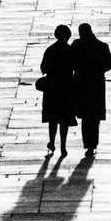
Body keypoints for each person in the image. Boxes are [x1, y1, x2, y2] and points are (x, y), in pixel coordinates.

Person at [71, 23, 111, 156]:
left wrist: (77, 70)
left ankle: (88, 144)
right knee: (94, 117)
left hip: (81, 83)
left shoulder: (76, 45)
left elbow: (70, 61)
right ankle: (93, 144)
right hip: (96, 84)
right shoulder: (101, 46)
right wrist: (100, 70)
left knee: (85, 117)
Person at [39, 24, 77, 157]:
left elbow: (43, 68)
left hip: (52, 88)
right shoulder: (70, 50)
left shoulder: (50, 50)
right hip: (66, 87)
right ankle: (63, 146)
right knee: (64, 118)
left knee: (53, 118)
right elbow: (75, 67)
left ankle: (52, 142)